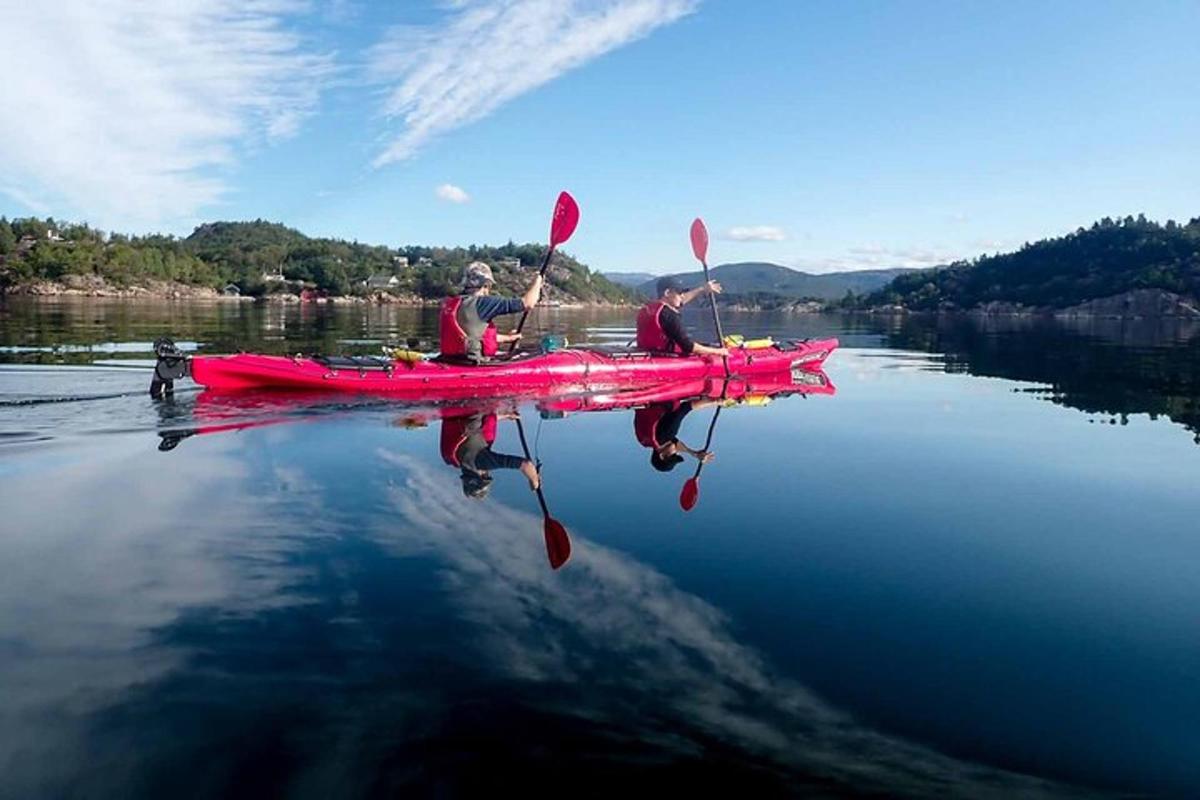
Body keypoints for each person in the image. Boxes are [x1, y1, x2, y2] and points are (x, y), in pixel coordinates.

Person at [440, 261, 543, 362]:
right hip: (471, 364)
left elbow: (473, 337)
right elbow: (528, 303)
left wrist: (508, 338)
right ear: (486, 284)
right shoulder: (484, 303)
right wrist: (538, 281)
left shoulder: (452, 303)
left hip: (449, 360)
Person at [440, 409, 540, 499]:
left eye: (486, 476)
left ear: (481, 476)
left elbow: (526, 465)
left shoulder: (480, 462)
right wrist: (506, 416)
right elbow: (478, 427)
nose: (487, 472)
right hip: (455, 409)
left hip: (474, 406)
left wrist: (534, 481)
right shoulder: (451, 458)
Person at [635, 276, 729, 357]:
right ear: (667, 293)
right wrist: (719, 352)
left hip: (646, 353)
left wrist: (702, 289)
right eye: (679, 292)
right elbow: (688, 347)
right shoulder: (669, 315)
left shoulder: (648, 308)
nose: (682, 296)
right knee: (704, 347)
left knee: (705, 344)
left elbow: (680, 302)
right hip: (665, 357)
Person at [634, 396, 721, 472]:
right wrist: (694, 453)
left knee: (676, 406)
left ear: (662, 455)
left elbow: (685, 407)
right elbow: (675, 443)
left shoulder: (667, 434)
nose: (677, 452)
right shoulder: (649, 441)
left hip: (660, 399)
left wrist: (716, 402)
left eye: (674, 455)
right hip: (647, 402)